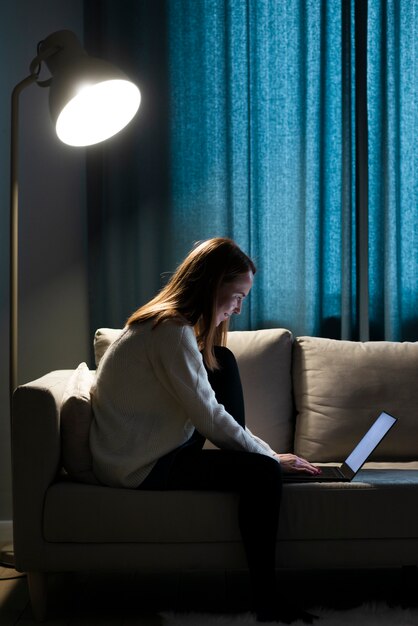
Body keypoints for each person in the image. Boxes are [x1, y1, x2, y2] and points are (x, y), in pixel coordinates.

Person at [90, 237, 320, 623]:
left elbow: (208, 412)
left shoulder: (164, 323)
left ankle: (254, 466)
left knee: (223, 360)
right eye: (236, 296)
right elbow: (210, 418)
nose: (239, 308)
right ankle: (267, 599)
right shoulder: (171, 331)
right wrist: (268, 457)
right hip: (139, 465)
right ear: (213, 285)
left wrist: (260, 451)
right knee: (262, 471)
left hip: (143, 451)